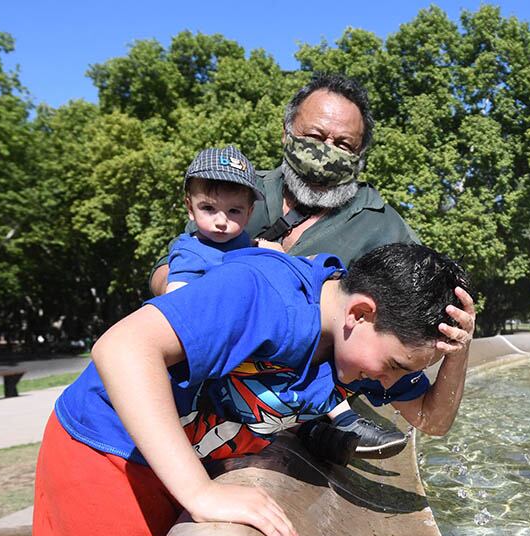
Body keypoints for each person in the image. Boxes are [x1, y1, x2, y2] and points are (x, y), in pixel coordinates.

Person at [20, 242, 475, 536]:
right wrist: (199, 493)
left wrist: (459, 353)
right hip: (108, 455)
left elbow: (432, 421)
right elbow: (121, 348)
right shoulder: (260, 292)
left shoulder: (357, 345)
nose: (390, 381)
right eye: (393, 365)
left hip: (178, 455)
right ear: (359, 313)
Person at [149, 72, 422, 458]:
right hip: (215, 355)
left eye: (344, 144)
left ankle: (321, 424)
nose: (328, 151)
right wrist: (211, 301)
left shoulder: (383, 224)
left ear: (360, 156)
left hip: (307, 377)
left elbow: (411, 313)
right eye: (314, 137)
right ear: (286, 133)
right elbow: (168, 268)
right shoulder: (234, 192)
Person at [164, 145, 278, 293]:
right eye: (208, 208)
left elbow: (244, 246)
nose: (221, 222)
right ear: (190, 208)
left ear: (249, 213)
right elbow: (177, 298)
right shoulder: (189, 255)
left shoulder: (239, 239)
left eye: (234, 211)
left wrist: (263, 246)